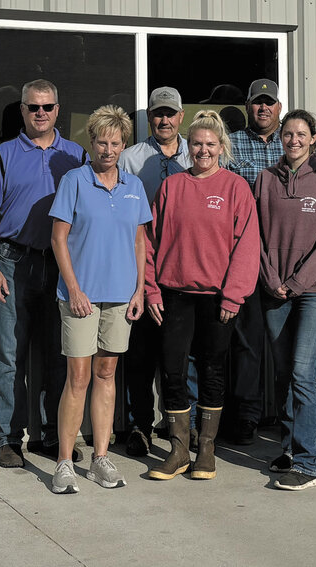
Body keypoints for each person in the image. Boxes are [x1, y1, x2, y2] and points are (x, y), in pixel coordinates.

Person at [0, 79, 86, 468]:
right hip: (13, 262)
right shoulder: (1, 157)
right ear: (22, 110)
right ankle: (8, 439)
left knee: (60, 354)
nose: (41, 113)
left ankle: (56, 436)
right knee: (10, 355)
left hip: (60, 267)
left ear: (58, 110)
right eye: (33, 107)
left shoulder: (78, 155)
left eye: (48, 107)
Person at [146, 110, 260, 481]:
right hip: (174, 294)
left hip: (217, 298)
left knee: (213, 370)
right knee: (173, 369)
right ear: (187, 147)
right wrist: (150, 289)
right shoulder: (172, 187)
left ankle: (206, 448)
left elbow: (247, 245)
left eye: (210, 144)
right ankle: (179, 448)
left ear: (221, 147)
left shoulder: (235, 188)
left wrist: (233, 296)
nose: (203, 150)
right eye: (196, 143)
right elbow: (148, 242)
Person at [48, 105, 152, 493]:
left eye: (114, 142)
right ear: (89, 143)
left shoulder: (134, 187)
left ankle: (101, 459)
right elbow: (59, 238)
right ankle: (63, 462)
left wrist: (140, 289)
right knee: (77, 377)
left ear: (123, 145)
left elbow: (140, 241)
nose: (107, 149)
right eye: (100, 142)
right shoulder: (74, 180)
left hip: (121, 297)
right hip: (81, 297)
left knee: (106, 374)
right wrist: (73, 289)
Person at [255, 110, 316, 490]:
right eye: (288, 134)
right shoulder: (264, 179)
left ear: (313, 139)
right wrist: (272, 278)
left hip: (312, 291)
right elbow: (254, 236)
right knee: (281, 373)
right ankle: (291, 446)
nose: (294, 140)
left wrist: (295, 281)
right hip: (273, 289)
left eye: (301, 134)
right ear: (281, 138)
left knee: (302, 371)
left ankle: (311, 464)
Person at [118, 86, 198, 458]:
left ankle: (183, 424)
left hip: (183, 270)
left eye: (170, 113)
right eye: (157, 114)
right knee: (140, 353)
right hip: (140, 266)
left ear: (181, 116)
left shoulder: (198, 153)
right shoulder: (131, 159)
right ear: (149, 118)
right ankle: (140, 424)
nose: (164, 120)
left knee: (182, 355)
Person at [225, 78, 284, 444]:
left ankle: (286, 414)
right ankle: (246, 416)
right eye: (257, 102)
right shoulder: (231, 144)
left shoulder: (294, 143)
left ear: (278, 107)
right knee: (246, 342)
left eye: (269, 102)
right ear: (249, 106)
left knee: (283, 342)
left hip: (282, 258)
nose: (263, 108)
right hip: (244, 256)